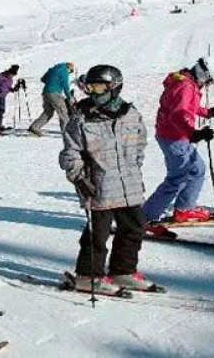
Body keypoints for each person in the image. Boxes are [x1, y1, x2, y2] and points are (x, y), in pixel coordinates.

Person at [59, 65, 156, 294]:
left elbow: (140, 144)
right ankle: (88, 275)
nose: (93, 93)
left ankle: (122, 271)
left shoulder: (131, 114)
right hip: (99, 185)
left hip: (129, 183)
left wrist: (132, 167)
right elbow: (70, 154)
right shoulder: (82, 118)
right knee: (98, 233)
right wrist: (79, 178)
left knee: (134, 228)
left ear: (114, 87)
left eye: (99, 87)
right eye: (89, 87)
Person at [142, 57, 214, 235]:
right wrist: (193, 134)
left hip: (177, 135)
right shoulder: (185, 86)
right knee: (178, 179)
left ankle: (184, 209)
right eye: (210, 81)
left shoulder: (187, 83)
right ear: (205, 74)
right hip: (173, 137)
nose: (209, 85)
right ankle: (146, 218)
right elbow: (178, 115)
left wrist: (209, 112)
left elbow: (189, 106)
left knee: (197, 169)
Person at [28, 62, 75, 136]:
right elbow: (65, 85)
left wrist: (52, 81)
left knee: (48, 112)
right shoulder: (64, 71)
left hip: (46, 92)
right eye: (71, 71)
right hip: (54, 93)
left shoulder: (52, 69)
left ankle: (35, 127)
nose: (70, 73)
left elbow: (43, 79)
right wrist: (69, 97)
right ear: (69, 68)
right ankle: (67, 131)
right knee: (63, 111)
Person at [0, 64, 23, 131]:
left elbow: (7, 88)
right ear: (8, 72)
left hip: (2, 96)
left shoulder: (10, 80)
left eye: (13, 75)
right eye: (11, 74)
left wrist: (13, 89)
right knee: (0, 108)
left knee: (2, 110)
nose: (11, 76)